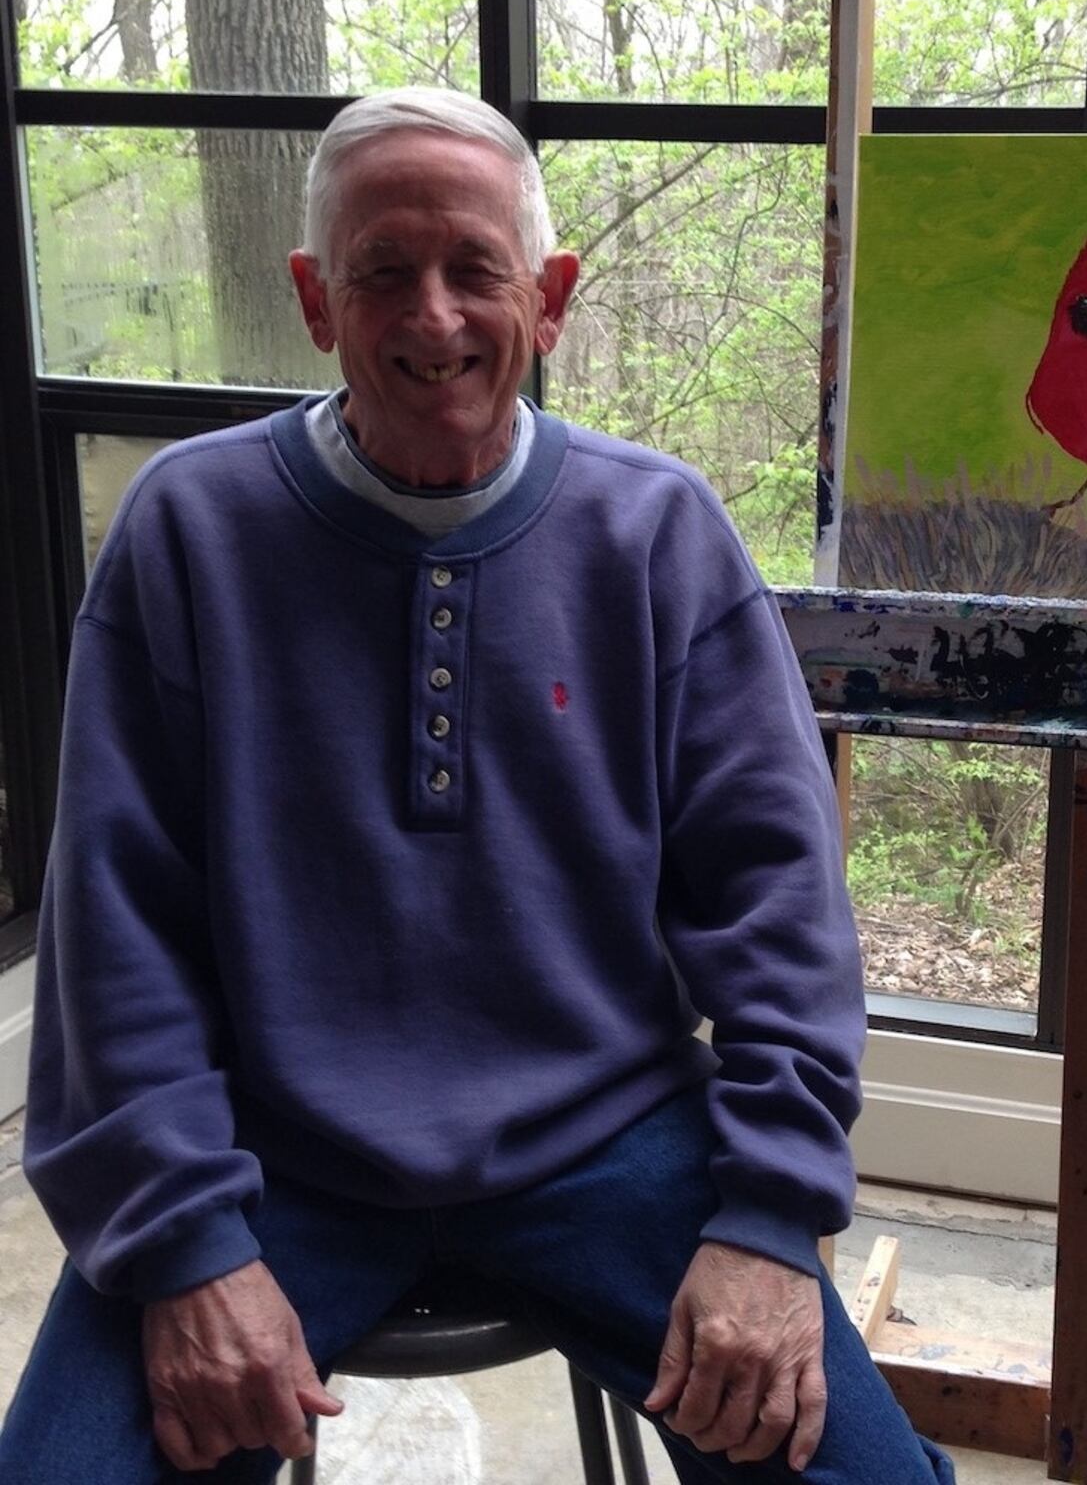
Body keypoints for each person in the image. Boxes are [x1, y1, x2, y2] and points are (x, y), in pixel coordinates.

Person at [0, 89, 955, 1483]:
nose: (433, 318)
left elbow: (779, 911)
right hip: (270, 1155)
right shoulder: (188, 532)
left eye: (475, 272)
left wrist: (767, 1218)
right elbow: (114, 935)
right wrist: (187, 1245)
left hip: (613, 1134)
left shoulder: (659, 535)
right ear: (317, 301)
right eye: (383, 272)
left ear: (551, 299)